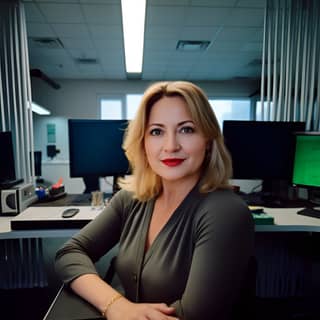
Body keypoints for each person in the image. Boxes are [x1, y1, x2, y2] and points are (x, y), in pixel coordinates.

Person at [55, 81, 255, 320]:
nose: (170, 146)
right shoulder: (131, 198)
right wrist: (115, 305)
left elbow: (191, 316)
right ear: (143, 142)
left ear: (209, 141)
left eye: (187, 129)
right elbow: (70, 252)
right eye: (157, 131)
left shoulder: (225, 212)